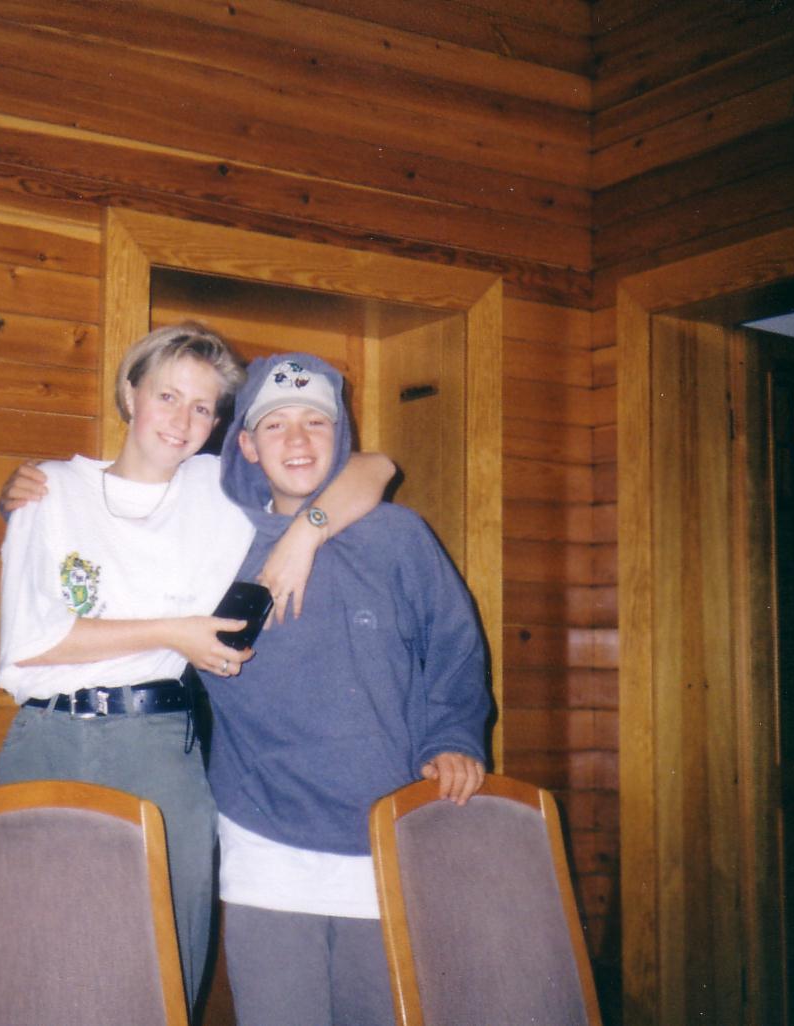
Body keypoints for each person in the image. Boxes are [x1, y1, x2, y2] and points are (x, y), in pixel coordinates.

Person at [0, 323, 392, 1014]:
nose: (182, 421)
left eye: (202, 408)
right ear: (130, 394)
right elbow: (31, 642)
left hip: (156, 749)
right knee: (32, 967)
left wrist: (302, 536)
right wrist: (174, 633)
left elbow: (375, 468)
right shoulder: (51, 489)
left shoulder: (219, 488)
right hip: (46, 742)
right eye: (167, 396)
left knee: (162, 971)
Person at [204, 353, 491, 1026]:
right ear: (246, 445)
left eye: (316, 422)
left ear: (342, 436)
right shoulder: (211, 541)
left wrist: (453, 738)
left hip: (385, 829)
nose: (297, 440)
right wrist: (27, 492)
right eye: (275, 424)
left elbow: (454, 648)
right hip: (262, 838)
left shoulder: (398, 537)